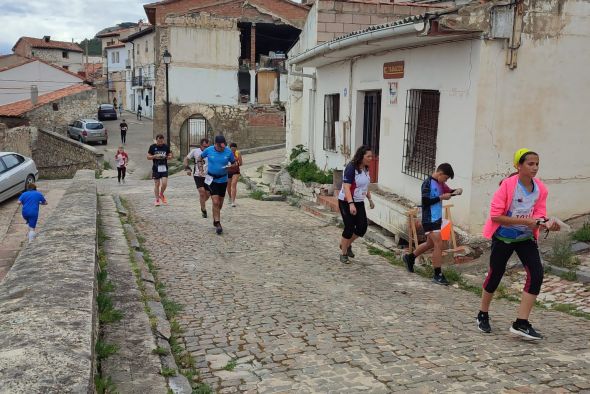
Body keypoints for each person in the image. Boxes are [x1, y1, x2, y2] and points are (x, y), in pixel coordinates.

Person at [477, 149, 560, 340]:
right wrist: (526, 221)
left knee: (537, 275)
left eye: (537, 164)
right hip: (504, 237)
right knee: (495, 274)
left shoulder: (540, 189)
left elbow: (539, 213)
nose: (535, 168)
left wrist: (546, 223)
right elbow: (496, 216)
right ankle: (483, 313)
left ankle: (521, 322)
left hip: (526, 238)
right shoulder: (507, 186)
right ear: (518, 166)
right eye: (530, 164)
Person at [402, 163, 462, 285]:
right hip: (429, 218)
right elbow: (425, 201)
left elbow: (448, 191)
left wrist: (455, 192)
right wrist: (441, 198)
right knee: (439, 243)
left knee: (430, 243)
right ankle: (437, 274)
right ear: (440, 174)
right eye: (445, 178)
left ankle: (410, 257)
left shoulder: (441, 183)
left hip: (437, 217)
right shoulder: (427, 183)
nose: (445, 181)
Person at [337, 145, 375, 264]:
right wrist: (351, 204)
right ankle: (343, 253)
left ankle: (346, 244)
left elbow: (365, 185)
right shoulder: (351, 168)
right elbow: (346, 187)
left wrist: (370, 199)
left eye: (371, 156)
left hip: (359, 201)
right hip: (346, 201)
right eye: (368, 156)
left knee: (362, 228)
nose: (371, 158)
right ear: (361, 156)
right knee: (349, 227)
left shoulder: (366, 169)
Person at [199, 135, 235, 234]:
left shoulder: (228, 151)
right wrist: (201, 169)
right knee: (215, 202)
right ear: (215, 144)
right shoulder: (209, 150)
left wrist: (230, 167)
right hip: (211, 179)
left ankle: (215, 218)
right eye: (220, 146)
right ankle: (218, 224)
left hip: (223, 180)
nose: (222, 148)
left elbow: (234, 163)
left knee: (220, 204)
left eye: (223, 146)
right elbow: (199, 158)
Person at [184, 138, 211, 218]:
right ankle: (203, 210)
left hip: (208, 176)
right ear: (200, 145)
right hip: (198, 175)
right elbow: (186, 159)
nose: (206, 148)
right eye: (204, 146)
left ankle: (201, 203)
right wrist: (187, 168)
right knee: (202, 192)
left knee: (208, 194)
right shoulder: (195, 151)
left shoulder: (211, 151)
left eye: (207, 146)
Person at [147, 134, 172, 206]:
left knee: (164, 183)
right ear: (156, 140)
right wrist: (154, 156)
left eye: (162, 141)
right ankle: (157, 200)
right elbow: (148, 157)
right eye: (159, 141)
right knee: (157, 184)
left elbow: (170, 155)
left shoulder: (166, 146)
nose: (160, 143)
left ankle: (161, 194)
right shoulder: (152, 147)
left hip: (164, 167)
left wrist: (169, 157)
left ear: (163, 140)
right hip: (156, 168)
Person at [226, 142, 243, 207]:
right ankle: (230, 197)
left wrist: (236, 164)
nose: (233, 150)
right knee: (228, 186)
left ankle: (233, 201)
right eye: (232, 149)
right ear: (230, 148)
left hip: (236, 171)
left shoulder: (238, 153)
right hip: (228, 171)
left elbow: (241, 163)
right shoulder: (227, 153)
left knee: (233, 184)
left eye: (234, 149)